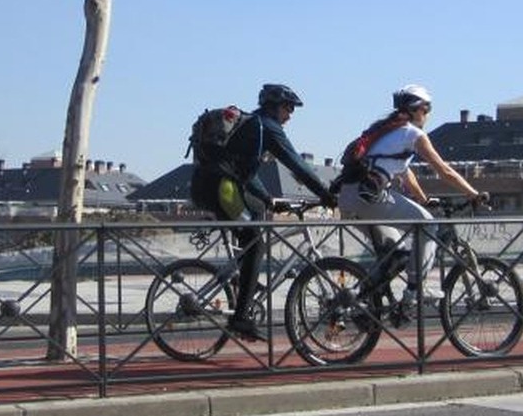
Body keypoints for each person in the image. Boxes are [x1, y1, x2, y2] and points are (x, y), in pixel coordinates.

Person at [190, 83, 335, 341]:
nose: (290, 115)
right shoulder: (268, 127)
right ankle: (241, 317)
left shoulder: (252, 126)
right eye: (288, 108)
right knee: (256, 244)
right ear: (276, 106)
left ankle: (243, 282)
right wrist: (325, 194)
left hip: (208, 185)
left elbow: (245, 173)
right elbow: (296, 164)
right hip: (222, 188)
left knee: (254, 224)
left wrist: (268, 199)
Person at [335, 84, 486, 302]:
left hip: (349, 198)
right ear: (416, 109)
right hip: (368, 198)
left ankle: (360, 299)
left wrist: (423, 200)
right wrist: (473, 194)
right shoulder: (412, 134)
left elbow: (406, 175)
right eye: (427, 109)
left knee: (396, 253)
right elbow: (443, 170)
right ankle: (415, 290)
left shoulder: (389, 130)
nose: (428, 115)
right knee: (427, 225)